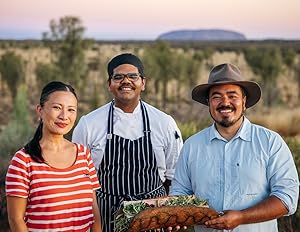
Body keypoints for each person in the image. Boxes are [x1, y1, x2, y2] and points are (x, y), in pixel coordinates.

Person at [170, 63, 299, 231]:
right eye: (216, 96)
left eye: (232, 95)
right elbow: (180, 195)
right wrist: (171, 217)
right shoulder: (192, 146)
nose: (225, 102)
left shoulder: (270, 142)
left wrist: (242, 217)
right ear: (208, 103)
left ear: (244, 102)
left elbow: (287, 198)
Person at [72, 53, 183, 232]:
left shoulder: (164, 122)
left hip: (153, 218)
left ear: (143, 83)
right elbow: (79, 180)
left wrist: (169, 214)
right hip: (107, 217)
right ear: (109, 84)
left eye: (133, 76)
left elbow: (175, 176)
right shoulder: (89, 124)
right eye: (118, 77)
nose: (126, 81)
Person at [5, 81, 102, 232]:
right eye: (57, 108)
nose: (64, 116)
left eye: (71, 110)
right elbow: (16, 219)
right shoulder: (23, 160)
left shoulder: (83, 154)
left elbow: (93, 207)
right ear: (40, 110)